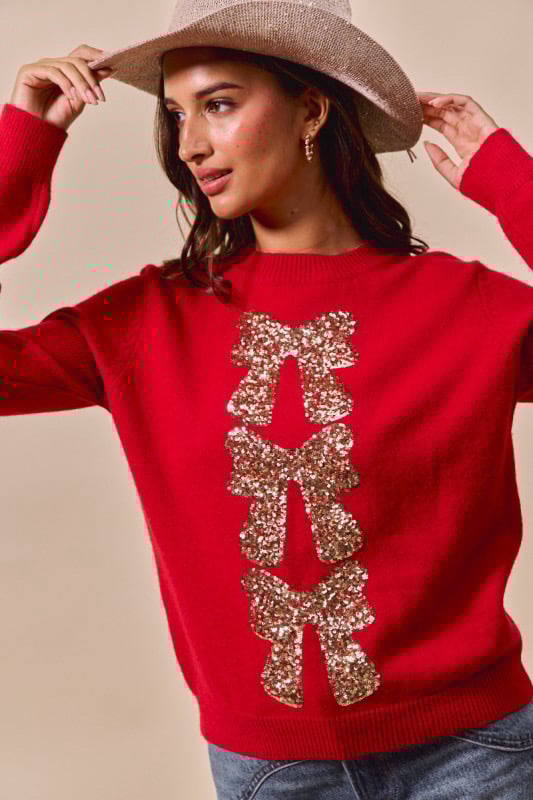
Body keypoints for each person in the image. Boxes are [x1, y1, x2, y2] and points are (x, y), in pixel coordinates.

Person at [2, 1, 533, 797]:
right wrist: (17, 158)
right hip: (273, 771)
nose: (188, 144)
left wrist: (512, 183)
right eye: (175, 115)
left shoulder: (469, 307)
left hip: (478, 754)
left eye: (218, 104)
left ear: (311, 110)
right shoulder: (145, 321)